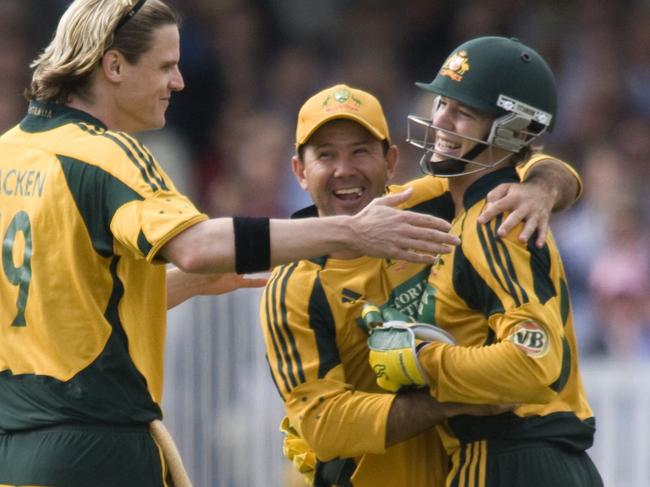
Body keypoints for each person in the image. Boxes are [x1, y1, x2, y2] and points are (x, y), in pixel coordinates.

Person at [0, 1, 461, 486]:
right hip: (96, 449)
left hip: (14, 449)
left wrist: (187, 284)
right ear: (114, 66)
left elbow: (64, 311)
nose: (178, 82)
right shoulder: (107, 154)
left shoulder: (10, 152)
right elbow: (196, 244)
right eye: (165, 66)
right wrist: (352, 232)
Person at [260, 83, 583, 486]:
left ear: (391, 161)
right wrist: (447, 399)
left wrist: (540, 190)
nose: (345, 169)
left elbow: (524, 163)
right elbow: (324, 425)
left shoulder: (427, 203)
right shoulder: (294, 285)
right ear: (300, 172)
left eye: (360, 150)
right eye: (326, 155)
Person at [369, 36, 603, 486]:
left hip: (507, 459)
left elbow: (534, 361)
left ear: (513, 131)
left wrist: (423, 361)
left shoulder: (491, 220)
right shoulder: (469, 209)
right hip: (545, 463)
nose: (441, 121)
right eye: (442, 103)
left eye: (464, 112)